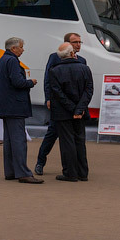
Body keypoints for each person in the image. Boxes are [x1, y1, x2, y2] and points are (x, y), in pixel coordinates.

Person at [0, 37, 41, 183]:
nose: (22, 49)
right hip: (15, 106)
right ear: (13, 48)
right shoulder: (13, 61)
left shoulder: (0, 61)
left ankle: (11, 171)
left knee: (9, 141)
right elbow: (18, 82)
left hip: (5, 106)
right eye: (21, 47)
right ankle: (23, 173)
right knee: (19, 140)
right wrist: (30, 82)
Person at [35, 32, 82, 175]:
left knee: (75, 137)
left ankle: (75, 168)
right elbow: (48, 79)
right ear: (67, 43)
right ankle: (40, 162)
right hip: (58, 105)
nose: (78, 45)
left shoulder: (82, 60)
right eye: (75, 42)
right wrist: (48, 98)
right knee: (52, 133)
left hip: (75, 106)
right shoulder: (55, 57)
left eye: (80, 42)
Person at [47, 42, 93, 181]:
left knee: (67, 142)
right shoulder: (85, 68)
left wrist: (72, 108)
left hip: (63, 112)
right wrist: (79, 109)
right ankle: (82, 172)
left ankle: (70, 173)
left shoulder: (54, 71)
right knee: (80, 140)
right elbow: (88, 90)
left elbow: (57, 93)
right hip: (81, 112)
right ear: (72, 53)